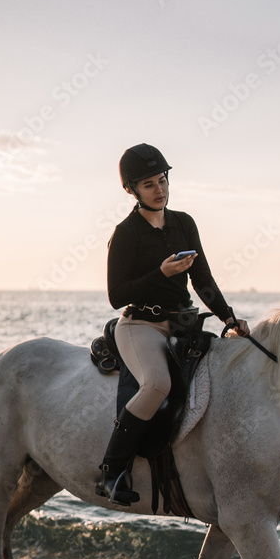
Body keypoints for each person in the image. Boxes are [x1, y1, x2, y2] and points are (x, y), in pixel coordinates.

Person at [96, 143, 250, 506]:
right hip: (140, 327)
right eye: (148, 184)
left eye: (162, 179)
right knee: (157, 384)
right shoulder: (126, 232)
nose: (159, 189)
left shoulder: (184, 223)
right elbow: (116, 295)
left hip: (183, 324)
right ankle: (111, 470)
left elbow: (203, 280)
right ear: (132, 190)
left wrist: (228, 316)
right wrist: (160, 273)